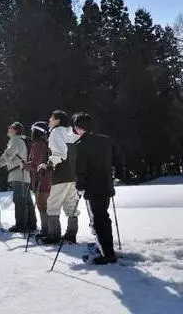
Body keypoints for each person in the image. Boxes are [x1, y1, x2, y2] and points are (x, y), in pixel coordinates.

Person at [73, 112, 118, 264]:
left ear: (78, 127)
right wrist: (114, 173)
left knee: (98, 220)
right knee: (103, 217)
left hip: (93, 188)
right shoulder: (105, 141)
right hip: (106, 185)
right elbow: (117, 159)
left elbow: (81, 169)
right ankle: (105, 248)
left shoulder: (81, 145)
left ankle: (107, 254)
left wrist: (79, 186)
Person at [38, 110, 79, 244]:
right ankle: (71, 234)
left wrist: (49, 165)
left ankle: (54, 235)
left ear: (58, 120)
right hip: (73, 175)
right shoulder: (72, 132)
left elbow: (60, 153)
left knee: (53, 204)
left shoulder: (56, 132)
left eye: (52, 117)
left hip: (61, 175)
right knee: (71, 205)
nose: (49, 120)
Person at [0, 122, 36, 233]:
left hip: (18, 173)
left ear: (15, 131)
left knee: (19, 200)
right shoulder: (21, 140)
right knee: (26, 200)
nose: (8, 129)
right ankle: (31, 223)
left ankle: (21, 225)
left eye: (10, 128)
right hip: (24, 174)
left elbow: (9, 154)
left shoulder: (15, 140)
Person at [25, 121, 52, 238]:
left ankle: (46, 230)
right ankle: (50, 229)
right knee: (48, 205)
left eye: (32, 130)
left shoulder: (37, 145)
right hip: (49, 179)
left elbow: (36, 164)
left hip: (41, 180)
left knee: (42, 205)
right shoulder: (47, 143)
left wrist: (25, 165)